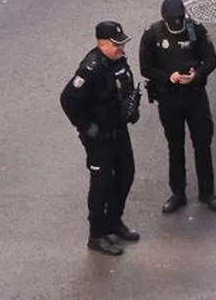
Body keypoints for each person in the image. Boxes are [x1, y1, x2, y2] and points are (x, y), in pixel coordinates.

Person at [60, 21, 142, 256]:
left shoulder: (119, 62)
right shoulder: (91, 68)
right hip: (99, 138)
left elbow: (123, 90)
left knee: (126, 174)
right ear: (103, 43)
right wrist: (86, 127)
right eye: (117, 44)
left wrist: (131, 108)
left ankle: (113, 221)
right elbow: (68, 99)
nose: (122, 48)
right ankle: (96, 235)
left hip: (118, 130)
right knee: (101, 184)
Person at [139, 0, 216, 213]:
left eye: (179, 19)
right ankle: (178, 193)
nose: (177, 23)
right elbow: (146, 68)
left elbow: (211, 60)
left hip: (195, 96)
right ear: (163, 18)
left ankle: (207, 192)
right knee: (175, 147)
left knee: (202, 144)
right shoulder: (152, 35)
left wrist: (196, 75)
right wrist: (169, 77)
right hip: (169, 98)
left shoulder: (196, 31)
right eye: (172, 20)